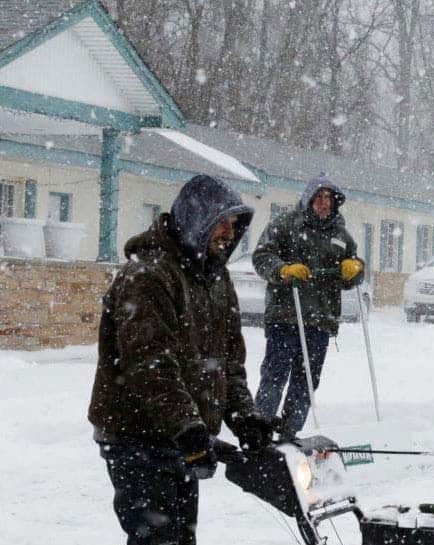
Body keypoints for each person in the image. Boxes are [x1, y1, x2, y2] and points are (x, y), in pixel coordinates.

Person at [88, 174, 275, 545]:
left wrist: (244, 417)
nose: (228, 231)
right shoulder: (149, 276)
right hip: (136, 435)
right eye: (221, 221)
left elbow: (228, 363)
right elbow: (150, 365)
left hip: (180, 436)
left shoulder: (215, 278)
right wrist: (188, 428)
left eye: (234, 224)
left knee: (180, 538)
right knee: (157, 539)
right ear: (196, 218)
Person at [252, 173, 364, 433]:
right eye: (320, 197)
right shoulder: (286, 225)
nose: (325, 203)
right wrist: (282, 270)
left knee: (306, 381)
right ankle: (259, 432)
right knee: (274, 375)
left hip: (321, 319)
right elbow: (261, 256)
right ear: (309, 198)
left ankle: (291, 431)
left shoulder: (342, 236)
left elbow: (354, 269)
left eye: (330, 198)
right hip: (285, 314)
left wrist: (355, 268)